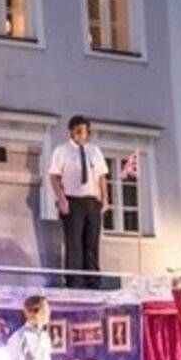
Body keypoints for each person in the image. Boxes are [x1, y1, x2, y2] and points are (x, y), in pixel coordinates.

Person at [47, 115, 109, 288]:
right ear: (71, 132)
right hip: (72, 200)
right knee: (74, 242)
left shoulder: (94, 151)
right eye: (79, 131)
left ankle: (93, 280)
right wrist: (62, 199)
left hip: (91, 200)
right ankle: (74, 280)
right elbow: (54, 176)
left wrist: (105, 198)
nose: (83, 135)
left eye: (85, 131)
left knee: (92, 241)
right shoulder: (62, 150)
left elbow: (102, 176)